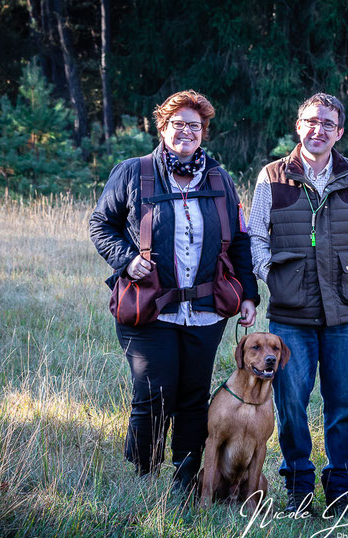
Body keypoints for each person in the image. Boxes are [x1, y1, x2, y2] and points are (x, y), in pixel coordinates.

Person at [89, 90, 259, 491]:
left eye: (194, 126)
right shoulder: (134, 172)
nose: (186, 131)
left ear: (204, 132)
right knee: (154, 391)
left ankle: (185, 481)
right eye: (178, 124)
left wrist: (249, 293)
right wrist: (127, 259)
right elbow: (101, 225)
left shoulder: (219, 179)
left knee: (193, 394)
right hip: (148, 307)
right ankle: (143, 474)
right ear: (162, 127)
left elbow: (239, 240)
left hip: (205, 309)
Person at [249, 93, 348, 512]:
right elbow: (256, 235)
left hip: (345, 312)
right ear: (298, 126)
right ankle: (297, 488)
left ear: (339, 132)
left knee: (341, 405)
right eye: (311, 121)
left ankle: (342, 487)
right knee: (291, 404)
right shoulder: (272, 176)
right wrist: (270, 273)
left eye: (328, 124)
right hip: (290, 315)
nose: (318, 130)